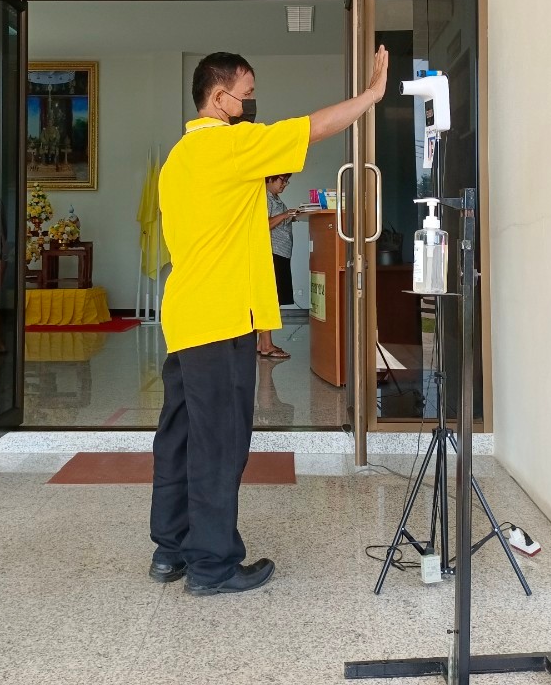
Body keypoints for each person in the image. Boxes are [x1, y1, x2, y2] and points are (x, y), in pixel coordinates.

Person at [150, 46, 389, 596]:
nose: (252, 105)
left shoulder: (179, 158)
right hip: (222, 319)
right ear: (219, 98)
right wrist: (370, 96)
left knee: (180, 435)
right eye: (247, 95)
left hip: (186, 316)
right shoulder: (229, 145)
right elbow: (312, 128)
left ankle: (170, 549)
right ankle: (212, 566)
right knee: (220, 443)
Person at [258, 173, 297, 359]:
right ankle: (266, 345)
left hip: (280, 254)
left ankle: (262, 343)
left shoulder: (274, 198)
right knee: (270, 299)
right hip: (271, 253)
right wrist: (285, 215)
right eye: (283, 180)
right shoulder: (264, 198)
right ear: (270, 179)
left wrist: (290, 217)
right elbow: (262, 224)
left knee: (274, 298)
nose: (285, 184)